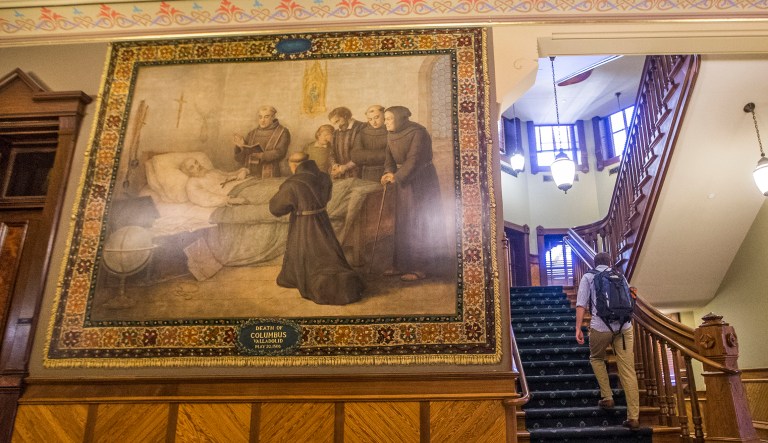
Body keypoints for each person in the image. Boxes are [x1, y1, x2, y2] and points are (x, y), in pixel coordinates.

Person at [269, 152, 364, 305]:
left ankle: (315, 282)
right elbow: (326, 198)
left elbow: (276, 208)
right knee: (328, 252)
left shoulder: (292, 183)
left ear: (294, 165)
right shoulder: (324, 177)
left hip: (303, 225)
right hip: (322, 221)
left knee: (305, 253)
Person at [575, 252, 640, 430]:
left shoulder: (588, 276)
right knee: (628, 370)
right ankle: (634, 417)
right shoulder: (620, 276)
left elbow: (581, 304)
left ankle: (608, 397)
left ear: (594, 263)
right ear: (610, 263)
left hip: (600, 327)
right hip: (624, 327)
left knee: (596, 358)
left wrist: (578, 328)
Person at [380, 105, 446, 282]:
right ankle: (401, 264)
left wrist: (397, 176)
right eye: (385, 119)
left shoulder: (418, 132)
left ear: (400, 119)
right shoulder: (391, 133)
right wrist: (388, 172)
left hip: (421, 180)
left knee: (418, 221)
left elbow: (415, 159)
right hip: (403, 181)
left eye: (388, 119)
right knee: (403, 221)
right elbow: (389, 158)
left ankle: (420, 267)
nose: (385, 122)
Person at [233, 105, 291, 179]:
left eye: (266, 117)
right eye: (260, 117)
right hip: (249, 174)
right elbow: (240, 159)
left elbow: (280, 152)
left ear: (273, 117)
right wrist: (241, 146)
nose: (262, 120)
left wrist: (261, 156)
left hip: (270, 174)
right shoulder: (252, 133)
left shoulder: (282, 132)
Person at [179, 157, 249, 207]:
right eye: (192, 167)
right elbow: (205, 198)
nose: (197, 166)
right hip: (236, 192)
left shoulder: (211, 171)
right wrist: (230, 200)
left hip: (246, 183)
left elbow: (230, 174)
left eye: (196, 162)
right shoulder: (192, 183)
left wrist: (243, 171)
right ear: (188, 173)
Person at [351, 105, 388, 182]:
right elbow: (356, 156)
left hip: (387, 172)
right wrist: (383, 154)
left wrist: (366, 155)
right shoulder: (362, 133)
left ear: (384, 115)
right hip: (367, 174)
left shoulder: (391, 131)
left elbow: (395, 154)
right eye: (370, 119)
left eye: (376, 118)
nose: (373, 122)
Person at [328, 106, 365, 180]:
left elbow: (362, 153)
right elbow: (332, 152)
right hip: (341, 174)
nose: (337, 125)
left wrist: (345, 167)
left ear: (345, 116)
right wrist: (335, 165)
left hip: (359, 173)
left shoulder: (362, 127)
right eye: (334, 123)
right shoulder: (336, 132)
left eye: (337, 121)